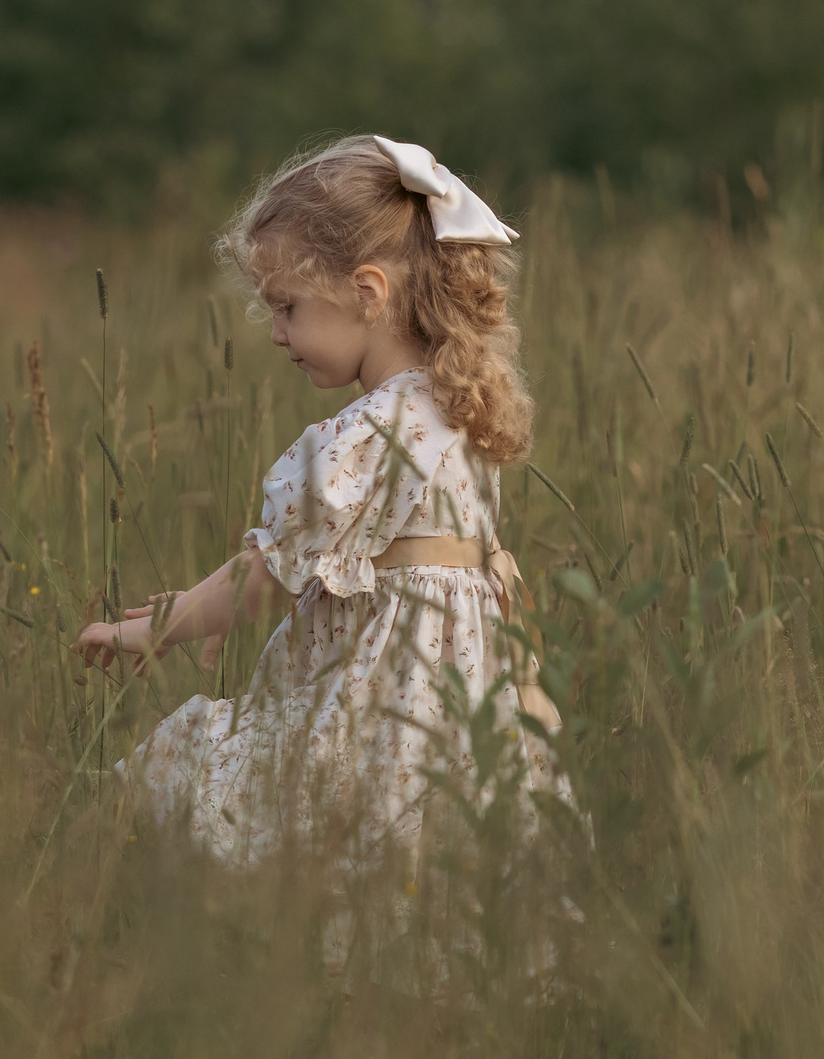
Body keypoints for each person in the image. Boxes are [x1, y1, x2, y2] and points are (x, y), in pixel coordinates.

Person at [76, 135, 569, 883]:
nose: (276, 333)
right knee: (429, 867)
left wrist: (158, 626)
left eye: (287, 307)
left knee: (195, 776)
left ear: (368, 293)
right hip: (459, 715)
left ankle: (61, 887)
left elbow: (267, 575)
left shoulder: (371, 433)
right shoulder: (454, 411)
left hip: (383, 705)